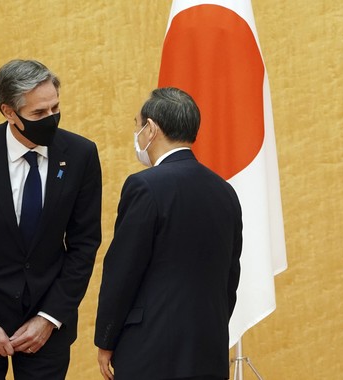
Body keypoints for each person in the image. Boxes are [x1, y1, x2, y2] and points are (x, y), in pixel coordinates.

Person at [0, 59, 102, 379]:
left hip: (46, 324)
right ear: (9, 112)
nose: (51, 119)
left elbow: (84, 244)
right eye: (39, 114)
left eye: (55, 108)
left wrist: (49, 317)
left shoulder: (80, 154)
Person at [94, 87, 242, 380]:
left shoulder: (144, 187)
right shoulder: (225, 191)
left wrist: (106, 340)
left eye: (137, 124)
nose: (137, 132)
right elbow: (230, 276)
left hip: (151, 349)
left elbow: (122, 270)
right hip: (208, 347)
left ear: (151, 128)